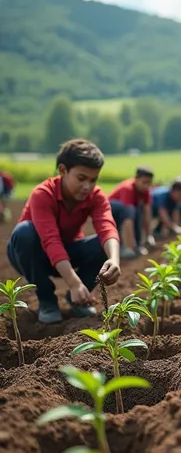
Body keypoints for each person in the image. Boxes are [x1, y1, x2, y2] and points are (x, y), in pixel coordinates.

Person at [7, 139, 121, 324]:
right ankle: (47, 300)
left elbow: (107, 226)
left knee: (106, 244)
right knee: (23, 232)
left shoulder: (96, 196)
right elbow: (50, 240)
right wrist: (73, 282)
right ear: (62, 170)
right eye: (81, 178)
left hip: (66, 251)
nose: (87, 187)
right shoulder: (43, 194)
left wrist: (114, 260)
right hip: (33, 254)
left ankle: (78, 297)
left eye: (93, 180)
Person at [108, 167, 155, 259]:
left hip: (126, 209)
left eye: (149, 183)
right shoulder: (128, 188)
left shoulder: (146, 191)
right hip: (110, 209)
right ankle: (126, 248)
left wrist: (149, 236)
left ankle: (138, 245)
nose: (146, 186)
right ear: (136, 179)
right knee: (131, 211)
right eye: (144, 182)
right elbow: (128, 220)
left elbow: (147, 214)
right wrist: (131, 245)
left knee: (137, 212)